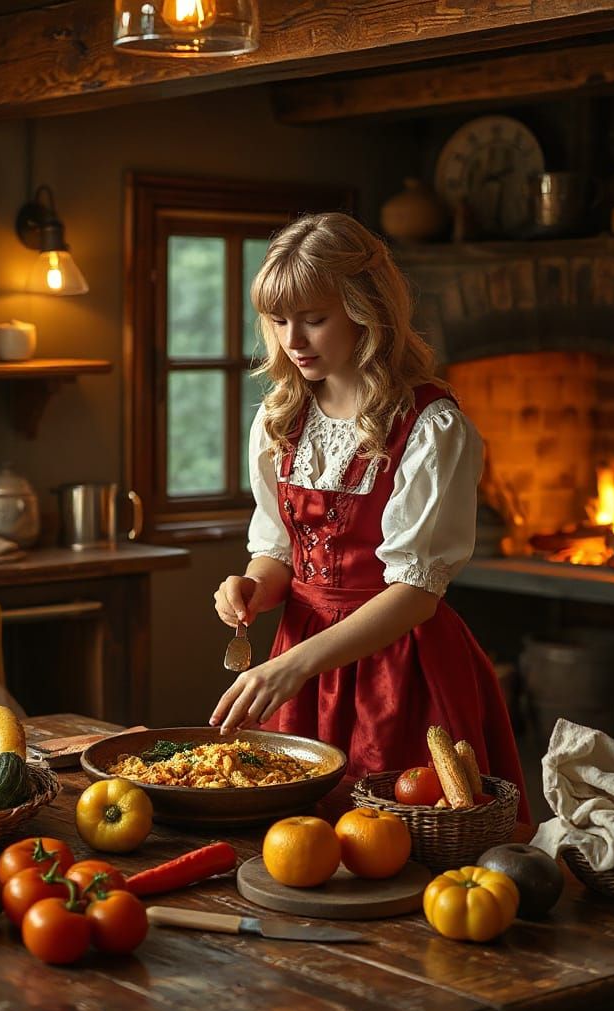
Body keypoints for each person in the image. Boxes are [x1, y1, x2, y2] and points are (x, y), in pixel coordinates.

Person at [210, 211, 529, 822]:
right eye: (279, 321)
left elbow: (415, 594)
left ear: (366, 310)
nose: (293, 340)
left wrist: (293, 666)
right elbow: (278, 552)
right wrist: (251, 586)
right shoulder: (281, 419)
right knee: (298, 838)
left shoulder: (431, 426)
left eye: (314, 319)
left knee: (399, 835)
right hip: (299, 663)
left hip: (400, 670)